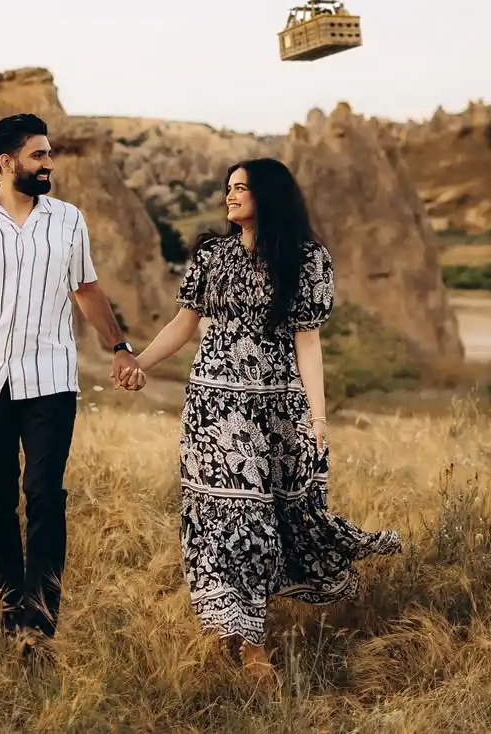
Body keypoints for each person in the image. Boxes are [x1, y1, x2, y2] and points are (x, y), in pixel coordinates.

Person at [120, 159, 401, 685]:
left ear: (268, 195)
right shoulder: (211, 254)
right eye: (227, 187)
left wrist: (318, 418)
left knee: (291, 516)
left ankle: (292, 601)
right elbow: (184, 324)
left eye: (241, 188)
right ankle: (250, 642)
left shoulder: (307, 258)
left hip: (277, 408)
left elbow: (308, 341)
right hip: (215, 411)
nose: (230, 196)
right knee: (236, 521)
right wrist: (140, 363)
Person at [0, 113, 141, 662]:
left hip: (50, 381)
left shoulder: (69, 221)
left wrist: (118, 346)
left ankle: (39, 621)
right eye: (38, 155)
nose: (48, 164)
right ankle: (9, 605)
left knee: (44, 495)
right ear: (6, 162)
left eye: (49, 154)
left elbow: (86, 289)